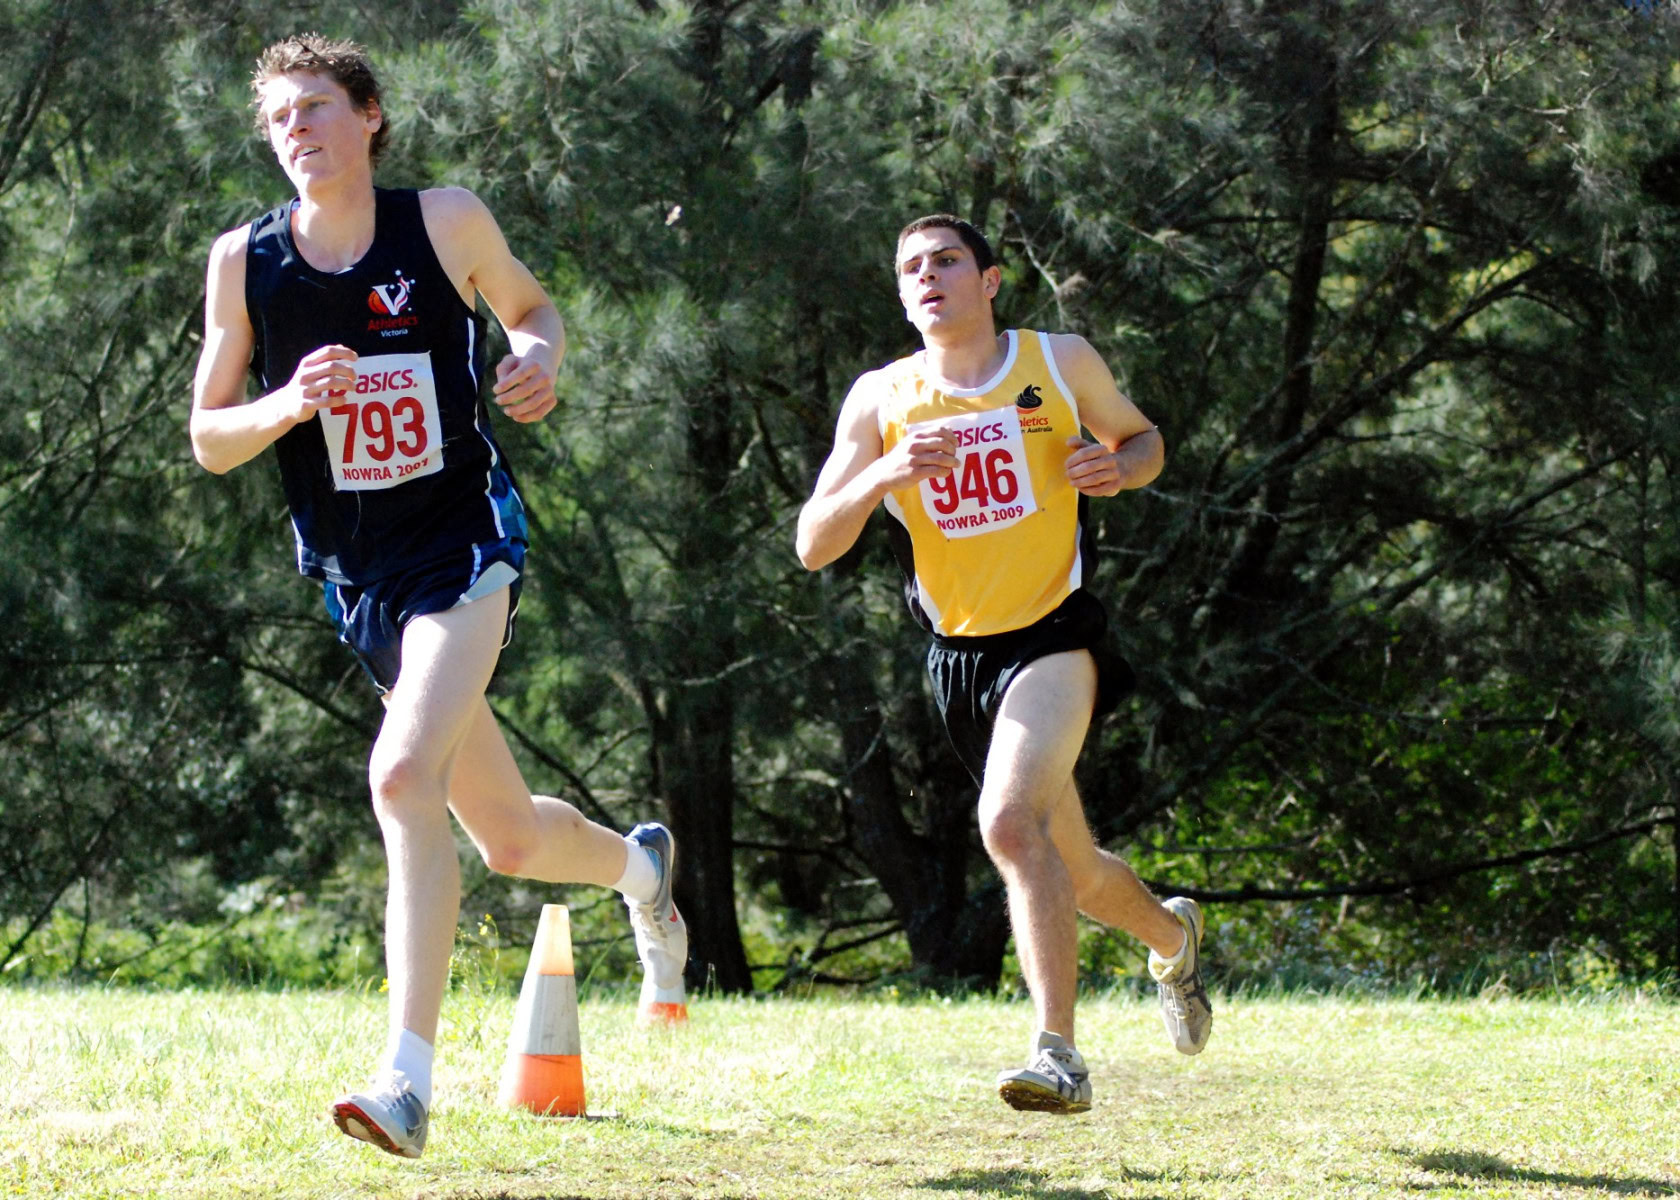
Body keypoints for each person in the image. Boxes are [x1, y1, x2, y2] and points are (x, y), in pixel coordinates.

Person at [189, 34, 687, 1159]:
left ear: (369, 115)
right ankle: (643, 869)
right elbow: (209, 438)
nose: (298, 131)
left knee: (401, 775)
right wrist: (286, 405)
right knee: (506, 839)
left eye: (317, 107)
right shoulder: (244, 263)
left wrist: (537, 361)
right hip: (359, 577)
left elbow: (532, 309)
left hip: (464, 544)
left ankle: (405, 1083)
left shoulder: (445, 221)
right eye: (280, 118)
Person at [796, 215, 1211, 1114]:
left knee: (1009, 826)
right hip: (960, 659)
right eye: (912, 268)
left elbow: (1144, 442)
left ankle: (1058, 1056)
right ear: (902, 297)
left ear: (988, 282)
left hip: (1055, 634)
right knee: (1076, 869)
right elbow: (813, 544)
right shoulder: (881, 399)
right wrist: (883, 475)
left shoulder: (1057, 362)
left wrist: (1119, 469)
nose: (928, 276)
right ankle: (1174, 942)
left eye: (947, 261)